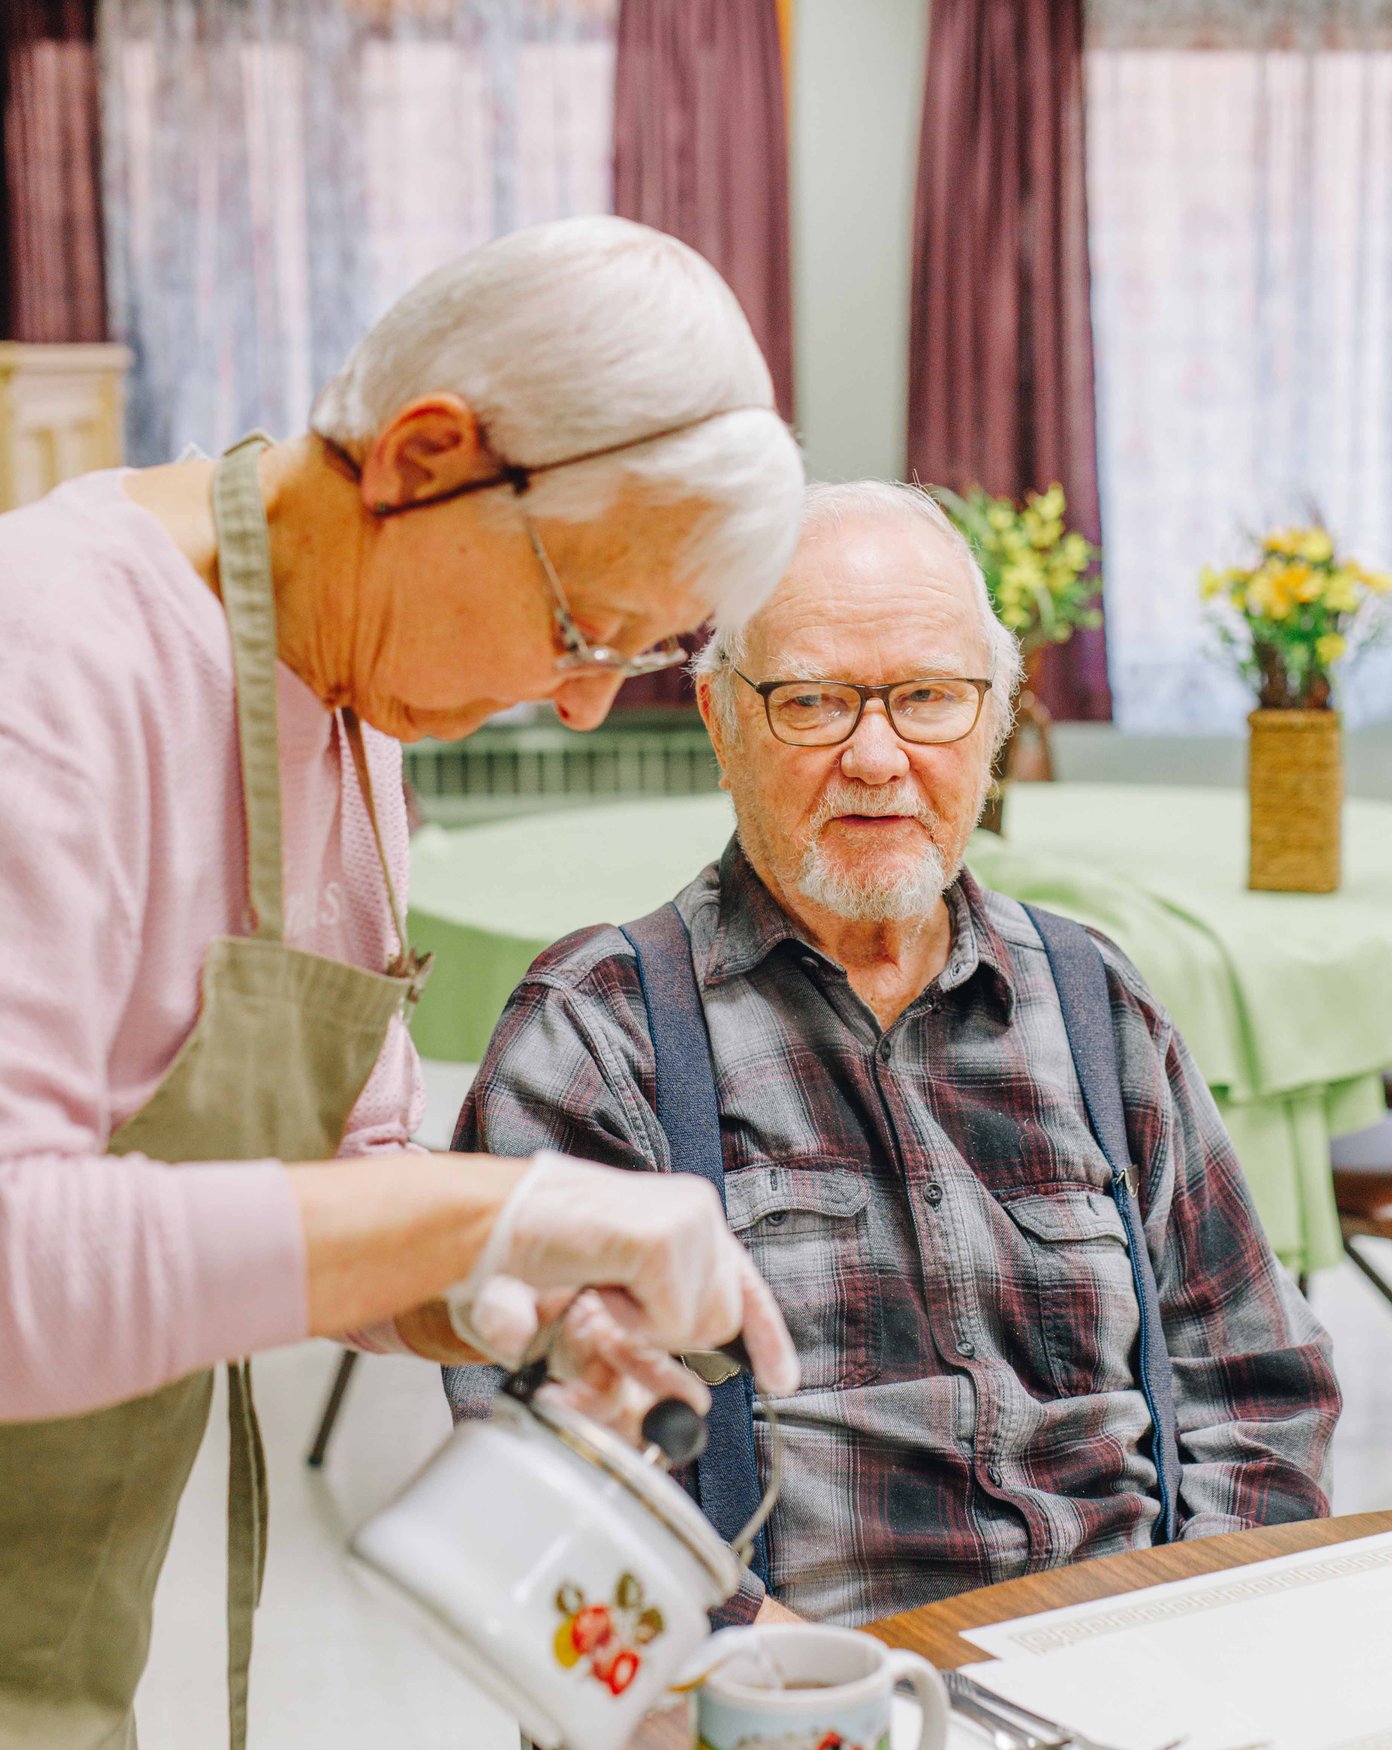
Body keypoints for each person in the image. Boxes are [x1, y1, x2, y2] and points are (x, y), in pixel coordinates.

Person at [0, 216, 803, 1750]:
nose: (586, 701)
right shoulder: (53, 657)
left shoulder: (352, 722)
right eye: (584, 622)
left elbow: (337, 1182)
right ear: (429, 455)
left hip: (54, 1645)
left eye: (643, 660)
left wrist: (502, 1300)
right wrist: (487, 1210)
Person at [449, 480, 1341, 1628]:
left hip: (1131, 1674)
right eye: (812, 702)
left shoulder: (1090, 1001)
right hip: (797, 1715)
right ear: (721, 725)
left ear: (992, 726)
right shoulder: (595, 1039)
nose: (876, 757)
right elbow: (544, 1495)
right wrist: (786, 1686)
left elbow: (1257, 1387)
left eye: (926, 698)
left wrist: (1193, 1627)